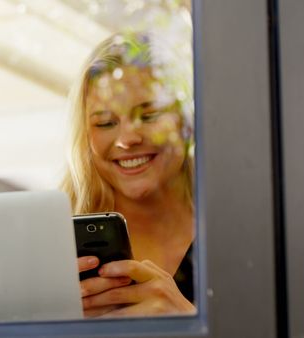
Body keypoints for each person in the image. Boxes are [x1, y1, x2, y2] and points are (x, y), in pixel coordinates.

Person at [61, 30, 196, 318]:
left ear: (186, 122)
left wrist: (187, 321)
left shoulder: (238, 231)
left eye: (149, 116)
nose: (127, 139)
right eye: (106, 123)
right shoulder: (53, 240)